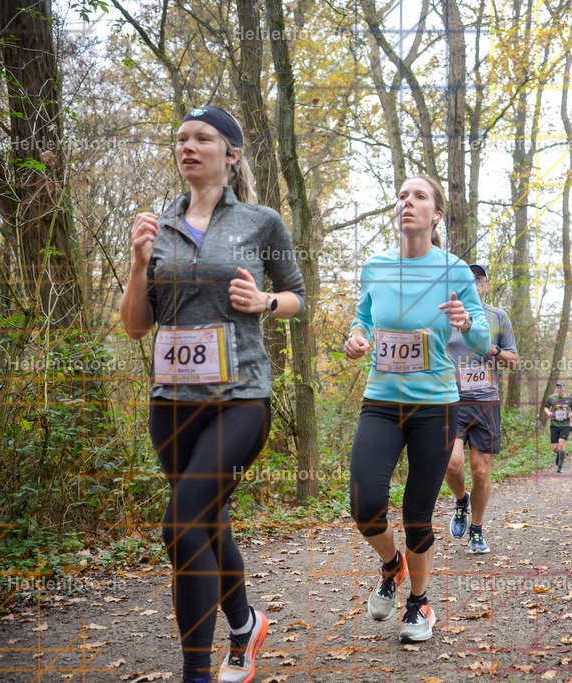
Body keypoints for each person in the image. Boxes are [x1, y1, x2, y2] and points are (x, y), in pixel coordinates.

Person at [119, 105, 306, 683]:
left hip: (241, 395)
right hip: (171, 400)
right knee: (205, 519)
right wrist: (136, 265)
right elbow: (134, 325)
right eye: (181, 139)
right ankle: (245, 624)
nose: (188, 147)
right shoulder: (157, 225)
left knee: (181, 523)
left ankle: (195, 672)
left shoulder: (260, 221)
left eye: (202, 138)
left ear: (232, 153)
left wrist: (266, 304)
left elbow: (297, 295)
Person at [343, 174, 490, 644]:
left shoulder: (456, 271)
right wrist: (357, 337)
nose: (408, 202)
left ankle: (418, 603)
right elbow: (363, 316)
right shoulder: (376, 267)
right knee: (365, 506)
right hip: (381, 403)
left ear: (436, 215)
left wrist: (467, 322)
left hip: (435, 407)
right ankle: (392, 565)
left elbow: (483, 339)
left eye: (419, 196)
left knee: (416, 514)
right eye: (402, 196)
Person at [445, 263, 519, 554]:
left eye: (480, 279)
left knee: (480, 472)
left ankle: (476, 529)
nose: (475, 283)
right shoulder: (446, 314)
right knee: (451, 464)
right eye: (470, 279)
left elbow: (513, 360)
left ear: (487, 286)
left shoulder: (498, 317)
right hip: (451, 399)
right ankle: (461, 500)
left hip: (486, 401)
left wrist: (495, 350)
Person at [544, 381, 572, 472]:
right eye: (558, 388)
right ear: (556, 389)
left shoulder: (569, 398)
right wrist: (549, 413)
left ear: (564, 388)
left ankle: (560, 466)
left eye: (561, 388)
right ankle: (559, 455)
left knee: (561, 444)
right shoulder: (552, 398)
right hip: (554, 425)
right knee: (555, 448)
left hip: (565, 425)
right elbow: (546, 407)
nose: (559, 389)